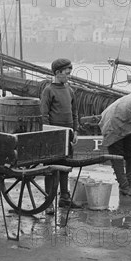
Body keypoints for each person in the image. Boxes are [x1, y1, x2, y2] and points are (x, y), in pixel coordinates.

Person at [40, 58, 82, 212]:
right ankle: (48, 201)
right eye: (66, 73)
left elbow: (75, 112)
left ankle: (64, 197)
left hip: (68, 134)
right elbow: (44, 115)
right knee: (50, 168)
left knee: (66, 166)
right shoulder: (48, 90)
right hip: (54, 135)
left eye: (69, 73)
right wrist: (49, 134)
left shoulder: (70, 90)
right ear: (58, 73)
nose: (68, 76)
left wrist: (75, 131)